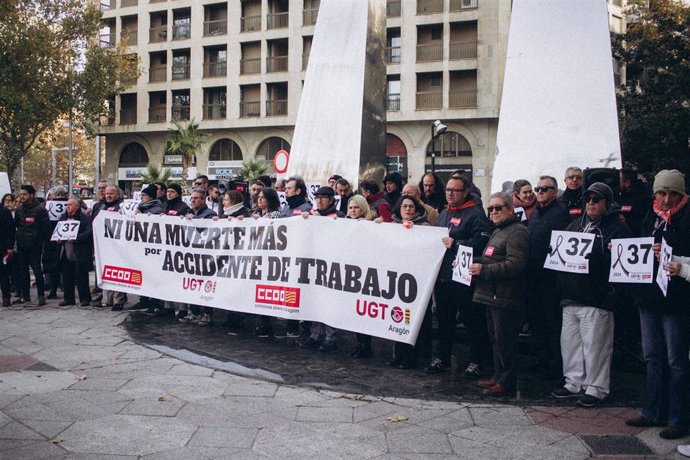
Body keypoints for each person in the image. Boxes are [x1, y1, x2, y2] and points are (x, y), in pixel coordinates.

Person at [551, 182, 632, 408]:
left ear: (607, 203)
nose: (591, 203)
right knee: (571, 344)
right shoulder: (576, 224)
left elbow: (623, 264)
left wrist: (611, 295)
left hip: (597, 299)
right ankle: (573, 381)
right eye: (588, 199)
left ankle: (596, 387)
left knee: (596, 346)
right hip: (570, 297)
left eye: (596, 200)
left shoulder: (618, 229)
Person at [625, 169, 690, 440]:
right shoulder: (650, 214)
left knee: (676, 360)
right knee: (652, 356)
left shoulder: (686, 217)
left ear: (681, 194)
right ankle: (653, 410)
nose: (665, 199)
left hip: (676, 299)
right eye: (661, 193)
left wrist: (679, 263)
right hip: (649, 296)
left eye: (671, 193)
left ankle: (679, 417)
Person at [425, 175, 492, 376]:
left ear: (465, 192)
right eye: (448, 190)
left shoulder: (476, 214)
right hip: (444, 276)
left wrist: (456, 244)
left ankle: (476, 361)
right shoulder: (444, 213)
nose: (450, 193)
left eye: (455, 190)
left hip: (464, 278)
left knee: (472, 321)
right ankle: (442, 358)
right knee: (444, 321)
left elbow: (481, 244)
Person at [469, 192, 530, 396]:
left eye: (498, 208)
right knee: (495, 339)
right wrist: (470, 262)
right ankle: (498, 375)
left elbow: (516, 265)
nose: (493, 212)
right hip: (491, 294)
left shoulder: (517, 232)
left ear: (510, 210)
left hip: (505, 297)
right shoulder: (498, 231)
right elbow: (491, 258)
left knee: (505, 341)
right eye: (491, 208)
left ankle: (507, 381)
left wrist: (483, 270)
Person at [524, 176, 571, 374]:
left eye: (545, 189)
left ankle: (556, 363)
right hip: (532, 276)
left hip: (551, 279)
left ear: (555, 191)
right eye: (538, 188)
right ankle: (541, 357)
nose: (540, 192)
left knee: (553, 323)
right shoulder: (534, 213)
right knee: (536, 321)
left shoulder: (561, 214)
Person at [386, 195, 430, 369]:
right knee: (396, 317)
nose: (408, 209)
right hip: (396, 278)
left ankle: (412, 355)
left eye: (411, 206)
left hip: (417, 280)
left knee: (413, 319)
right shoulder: (392, 226)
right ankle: (398, 353)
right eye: (404, 206)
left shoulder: (425, 227)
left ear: (417, 209)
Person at [299, 187, 344, 352]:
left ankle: (331, 337)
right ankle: (315, 335)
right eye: (317, 198)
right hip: (314, 264)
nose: (320, 201)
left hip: (331, 265)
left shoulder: (338, 216)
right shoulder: (311, 214)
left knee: (329, 302)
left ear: (331, 200)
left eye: (324, 198)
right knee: (315, 301)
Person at [179, 189, 217, 325]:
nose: (193, 201)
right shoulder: (189, 213)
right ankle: (194, 312)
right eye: (191, 198)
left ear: (203, 200)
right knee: (192, 283)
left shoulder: (210, 214)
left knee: (206, 284)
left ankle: (207, 313)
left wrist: (196, 222)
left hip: (206, 256)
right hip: (192, 255)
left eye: (196, 198)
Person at [345, 194, 376, 357]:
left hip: (366, 273)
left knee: (363, 312)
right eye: (350, 207)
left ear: (363, 208)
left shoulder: (371, 224)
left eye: (356, 207)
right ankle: (359, 343)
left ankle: (366, 345)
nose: (353, 210)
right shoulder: (344, 225)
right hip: (351, 273)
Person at [13, 185, 50, 306]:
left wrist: (42, 242)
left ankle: (41, 296)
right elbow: (17, 225)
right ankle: (25, 296)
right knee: (23, 272)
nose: (22, 197)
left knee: (37, 271)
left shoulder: (40, 210)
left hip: (35, 246)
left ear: (31, 195)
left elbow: (46, 229)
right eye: (20, 195)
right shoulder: (19, 210)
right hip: (22, 245)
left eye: (24, 194)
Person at [56, 197, 93, 307]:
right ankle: (68, 298)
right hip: (66, 249)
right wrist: (58, 237)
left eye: (70, 205)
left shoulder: (84, 217)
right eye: (67, 205)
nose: (68, 207)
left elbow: (89, 231)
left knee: (81, 275)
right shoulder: (63, 217)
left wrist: (76, 238)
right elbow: (58, 230)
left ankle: (85, 298)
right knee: (67, 275)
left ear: (77, 206)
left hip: (79, 250)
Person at [97, 185, 128, 311]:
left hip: (118, 245)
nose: (108, 195)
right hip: (104, 244)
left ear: (117, 195)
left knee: (118, 272)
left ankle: (118, 300)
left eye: (111, 193)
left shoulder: (122, 206)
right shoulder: (102, 206)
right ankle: (107, 299)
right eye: (107, 193)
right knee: (106, 272)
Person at [43, 186, 69, 300]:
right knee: (54, 265)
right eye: (58, 195)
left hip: (62, 239)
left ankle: (60, 288)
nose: (60, 198)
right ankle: (55, 288)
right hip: (53, 239)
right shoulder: (47, 207)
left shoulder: (70, 205)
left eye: (62, 195)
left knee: (62, 265)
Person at [617, 168, 652, 237]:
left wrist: (626, 220)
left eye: (618, 179)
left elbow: (642, 221)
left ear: (627, 183)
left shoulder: (643, 198)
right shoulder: (619, 196)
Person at [0, 198, 15, 306]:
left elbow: (10, 230)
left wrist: (10, 247)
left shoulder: (4, 212)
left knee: (3, 274)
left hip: (2, 247)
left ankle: (6, 297)